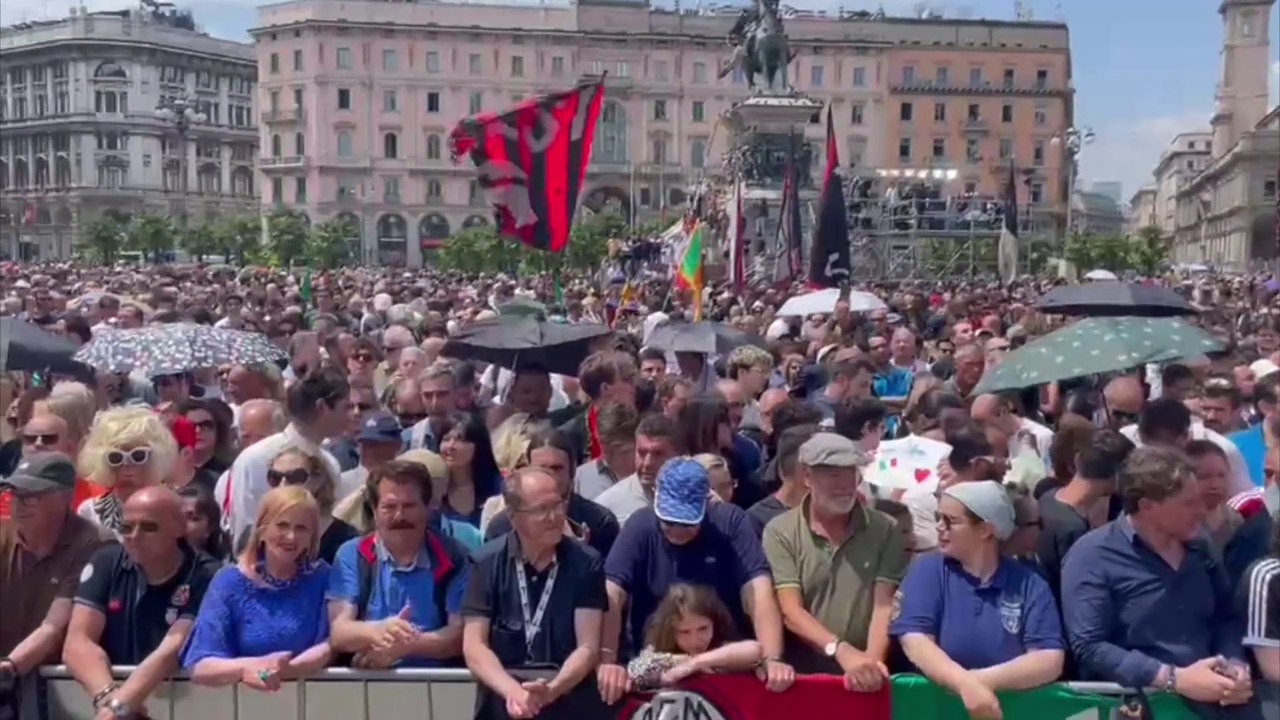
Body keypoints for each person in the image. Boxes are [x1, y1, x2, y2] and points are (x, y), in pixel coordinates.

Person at [1061, 446, 1257, 716]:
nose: (1201, 510)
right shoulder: (1092, 556)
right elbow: (1090, 646)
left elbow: (1225, 618)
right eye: (1188, 503)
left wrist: (1236, 664)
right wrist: (1173, 679)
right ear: (1147, 506)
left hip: (1218, 705)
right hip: (1141, 707)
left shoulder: (1201, 548)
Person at [597, 457, 794, 705]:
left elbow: (759, 590)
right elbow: (611, 594)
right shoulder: (639, 526)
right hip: (657, 666)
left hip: (725, 664)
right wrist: (607, 661)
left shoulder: (730, 522)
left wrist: (773, 658)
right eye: (669, 521)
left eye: (687, 522)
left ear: (707, 500)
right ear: (655, 496)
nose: (677, 530)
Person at [891, 481, 1065, 720]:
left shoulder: (1030, 583)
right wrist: (965, 686)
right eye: (937, 517)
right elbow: (915, 642)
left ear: (985, 530)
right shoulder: (927, 571)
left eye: (950, 521)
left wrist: (978, 683)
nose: (939, 527)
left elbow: (1049, 658)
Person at [462, 466, 609, 719]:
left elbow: (588, 646)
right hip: (503, 703)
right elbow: (474, 645)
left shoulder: (587, 563)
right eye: (541, 510)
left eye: (558, 505)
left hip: (568, 700)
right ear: (512, 516)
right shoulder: (485, 563)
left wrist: (551, 691)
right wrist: (515, 694)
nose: (554, 517)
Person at [762, 433, 908, 686]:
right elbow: (791, 610)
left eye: (851, 472)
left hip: (866, 673)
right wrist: (841, 651)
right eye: (833, 474)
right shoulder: (780, 531)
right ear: (807, 477)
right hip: (804, 678)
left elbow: (883, 605)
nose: (845, 484)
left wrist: (870, 663)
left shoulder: (886, 528)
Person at [63, 487, 215, 720]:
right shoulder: (106, 561)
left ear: (179, 527)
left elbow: (172, 649)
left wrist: (118, 708)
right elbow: (78, 642)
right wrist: (110, 698)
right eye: (126, 527)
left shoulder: (207, 574)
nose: (133, 536)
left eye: (149, 527)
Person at [183, 486, 333, 688]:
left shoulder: (323, 578)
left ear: (312, 536)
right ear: (262, 530)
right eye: (282, 525)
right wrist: (251, 667)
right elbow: (201, 666)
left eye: (301, 528)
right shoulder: (229, 582)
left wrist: (286, 670)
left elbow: (330, 645)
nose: (291, 536)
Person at [327, 461, 469, 668]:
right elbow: (339, 632)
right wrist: (380, 630)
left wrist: (403, 646)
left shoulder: (455, 556)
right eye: (389, 507)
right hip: (367, 686)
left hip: (438, 689)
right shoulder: (352, 554)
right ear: (374, 511)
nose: (400, 516)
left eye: (409, 506)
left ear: (428, 508)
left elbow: (459, 636)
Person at [0, 453, 108, 693]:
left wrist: (7, 668)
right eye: (14, 494)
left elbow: (53, 627)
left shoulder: (93, 546)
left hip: (61, 688)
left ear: (65, 498)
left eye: (32, 497)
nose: (18, 504)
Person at [223, 369, 348, 545]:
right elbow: (244, 529)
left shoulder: (330, 463)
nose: (351, 414)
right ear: (322, 407)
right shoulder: (255, 459)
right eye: (346, 407)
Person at [484, 430, 620, 559]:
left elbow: (607, 580)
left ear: (572, 470)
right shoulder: (502, 526)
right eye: (541, 468)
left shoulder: (600, 523)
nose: (550, 476)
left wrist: (580, 554)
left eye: (557, 468)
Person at [626, 583, 763, 691]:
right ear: (670, 631)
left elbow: (755, 651)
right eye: (684, 632)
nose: (695, 640)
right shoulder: (659, 656)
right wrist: (679, 664)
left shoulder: (720, 653)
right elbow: (636, 670)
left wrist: (695, 663)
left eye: (703, 629)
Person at [77, 407, 179, 537]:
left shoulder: (175, 504)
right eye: (116, 457)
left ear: (155, 457)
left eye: (138, 456)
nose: (127, 465)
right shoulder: (90, 511)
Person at [266, 445, 359, 563]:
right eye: (275, 477)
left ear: (318, 481)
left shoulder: (346, 539)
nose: (283, 485)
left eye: (296, 477)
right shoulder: (258, 533)